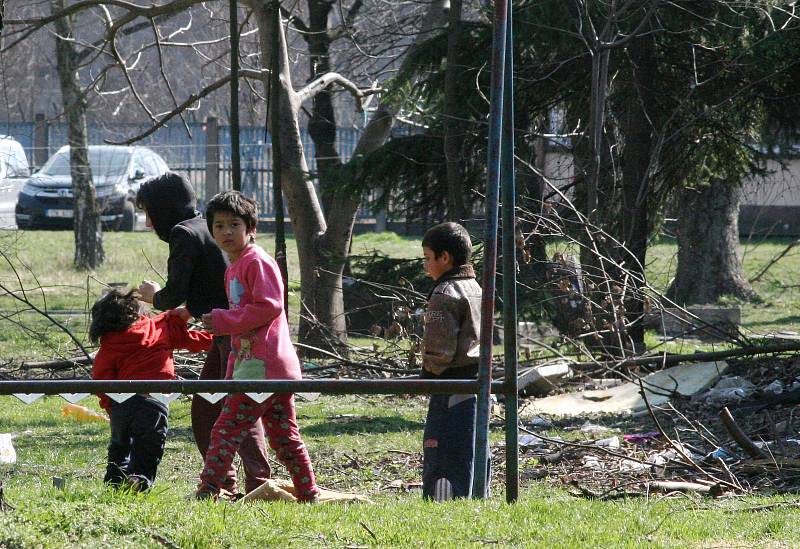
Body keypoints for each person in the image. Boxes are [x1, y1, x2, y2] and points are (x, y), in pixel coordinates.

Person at [135, 172, 271, 494]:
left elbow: (173, 292)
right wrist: (192, 310)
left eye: (148, 214)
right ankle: (227, 484)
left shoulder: (182, 233)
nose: (147, 224)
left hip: (233, 335)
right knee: (211, 406)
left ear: (162, 209)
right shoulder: (202, 226)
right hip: (230, 331)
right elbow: (215, 281)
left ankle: (258, 485)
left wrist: (153, 295)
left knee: (235, 408)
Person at [196, 190, 319, 502]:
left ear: (250, 228)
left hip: (262, 368)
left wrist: (223, 320)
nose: (226, 231)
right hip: (259, 365)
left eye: (234, 224)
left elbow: (269, 307)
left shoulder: (256, 262)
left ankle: (207, 491)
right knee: (284, 437)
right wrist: (229, 371)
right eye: (219, 225)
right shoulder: (235, 266)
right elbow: (241, 331)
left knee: (225, 430)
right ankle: (309, 494)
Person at [90, 288, 213, 491]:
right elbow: (194, 340)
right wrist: (218, 341)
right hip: (153, 403)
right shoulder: (159, 328)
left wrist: (109, 405)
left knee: (119, 446)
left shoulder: (109, 344)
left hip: (121, 404)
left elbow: (101, 380)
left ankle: (114, 481)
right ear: (137, 311)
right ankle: (138, 480)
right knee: (148, 447)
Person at [419, 221, 485, 501]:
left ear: (445, 258)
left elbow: (439, 351)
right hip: (474, 383)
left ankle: (443, 500)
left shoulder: (444, 293)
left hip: (448, 384)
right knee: (469, 446)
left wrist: (426, 374)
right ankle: (472, 495)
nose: (425, 266)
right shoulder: (475, 286)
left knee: (442, 447)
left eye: (427, 258)